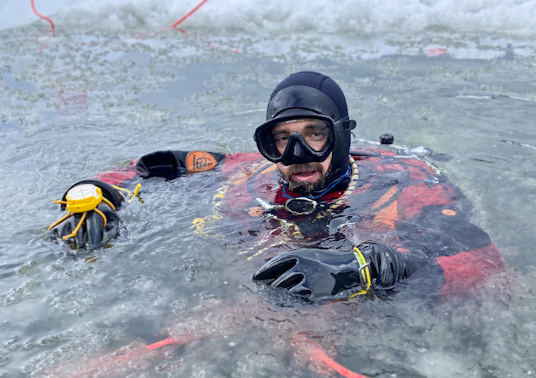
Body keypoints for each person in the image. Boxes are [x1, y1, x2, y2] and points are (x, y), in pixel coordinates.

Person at [48, 71, 504, 301]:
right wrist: (93, 194)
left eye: (315, 135)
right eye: (283, 139)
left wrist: (371, 268)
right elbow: (152, 167)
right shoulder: (253, 173)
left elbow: (485, 267)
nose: (298, 155)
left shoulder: (406, 181)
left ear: (342, 135)